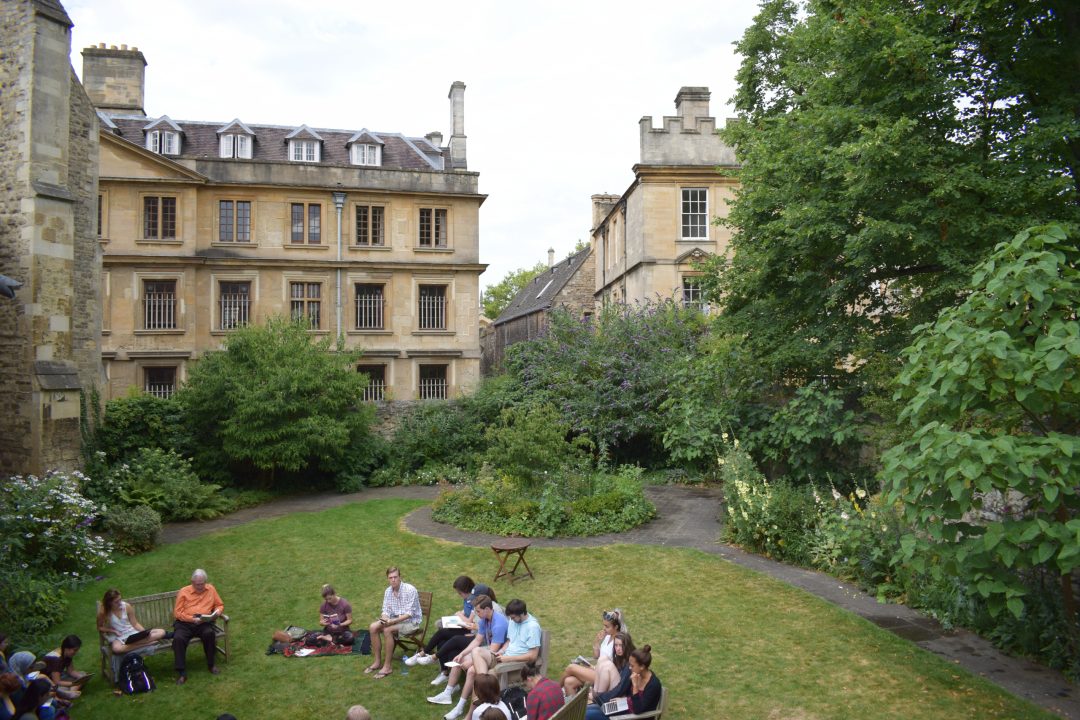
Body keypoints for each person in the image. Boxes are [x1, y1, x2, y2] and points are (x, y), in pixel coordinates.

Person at [441, 599, 541, 720]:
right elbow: (509, 641)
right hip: (504, 656)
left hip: (514, 664)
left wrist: (508, 659)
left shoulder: (533, 627)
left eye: (514, 617)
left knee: (475, 663)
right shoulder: (513, 621)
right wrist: (501, 652)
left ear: (522, 613)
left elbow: (533, 656)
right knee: (474, 661)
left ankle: (469, 714)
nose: (512, 620)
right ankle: (461, 706)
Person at [427, 595, 506, 715]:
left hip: (498, 656)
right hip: (486, 652)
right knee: (459, 658)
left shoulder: (499, 623)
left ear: (487, 609)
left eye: (478, 611)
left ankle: (460, 707)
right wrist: (463, 653)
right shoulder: (485, 619)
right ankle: (447, 693)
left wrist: (472, 660)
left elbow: (493, 650)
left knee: (471, 671)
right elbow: (477, 640)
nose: (476, 614)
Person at [429, 585, 499, 687]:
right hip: (474, 635)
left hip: (481, 641)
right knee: (444, 640)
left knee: (454, 639)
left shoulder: (491, 612)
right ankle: (445, 673)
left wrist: (472, 627)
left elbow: (489, 640)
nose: (473, 599)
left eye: (475, 597)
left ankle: (431, 656)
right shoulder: (480, 609)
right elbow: (478, 631)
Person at [406, 576, 482, 667]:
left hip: (470, 630)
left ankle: (427, 655)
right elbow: (466, 612)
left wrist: (460, 615)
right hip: (466, 627)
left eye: (460, 593)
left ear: (466, 590)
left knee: (446, 634)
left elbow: (470, 622)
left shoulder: (474, 601)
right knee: (442, 636)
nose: (459, 595)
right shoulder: (467, 599)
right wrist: (459, 613)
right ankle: (441, 670)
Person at [364, 566, 422, 679]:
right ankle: (377, 662)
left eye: (395, 577)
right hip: (393, 621)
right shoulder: (388, 591)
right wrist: (384, 618)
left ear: (400, 577)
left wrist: (392, 622)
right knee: (373, 627)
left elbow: (409, 614)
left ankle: (387, 666)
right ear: (388, 579)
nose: (393, 580)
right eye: (390, 577)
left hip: (411, 622)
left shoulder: (410, 590)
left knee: (387, 630)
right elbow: (385, 610)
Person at [172, 568, 225, 685]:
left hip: (203, 621)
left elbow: (219, 604)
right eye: (198, 584)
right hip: (185, 623)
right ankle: (181, 673)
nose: (200, 587)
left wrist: (216, 613)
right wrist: (192, 619)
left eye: (202, 584)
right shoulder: (184, 592)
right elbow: (177, 613)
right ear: (192, 582)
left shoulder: (211, 589)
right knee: (178, 639)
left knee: (209, 634)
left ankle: (211, 665)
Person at [559, 609, 626, 697]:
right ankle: (575, 709)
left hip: (605, 677)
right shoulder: (607, 637)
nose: (604, 628)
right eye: (604, 625)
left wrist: (594, 668)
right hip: (596, 671)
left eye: (607, 626)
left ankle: (554, 691)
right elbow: (596, 656)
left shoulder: (618, 642)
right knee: (568, 682)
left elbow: (616, 665)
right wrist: (597, 641)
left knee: (571, 668)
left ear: (616, 627)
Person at [584, 645, 660, 720]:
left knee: (587, 715)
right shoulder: (637, 675)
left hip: (632, 716)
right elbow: (630, 697)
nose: (629, 668)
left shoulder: (653, 685)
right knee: (586, 709)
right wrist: (623, 700)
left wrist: (635, 686)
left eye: (632, 666)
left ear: (642, 667)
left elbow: (638, 709)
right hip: (623, 708)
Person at [97, 589, 170, 655]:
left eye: (120, 599)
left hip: (131, 633)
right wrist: (113, 631)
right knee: (116, 649)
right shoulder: (104, 612)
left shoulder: (126, 606)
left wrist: (144, 633)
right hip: (118, 636)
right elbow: (100, 627)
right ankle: (145, 644)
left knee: (162, 632)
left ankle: (133, 644)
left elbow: (134, 624)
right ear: (109, 603)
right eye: (116, 602)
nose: (120, 603)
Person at [42, 635, 86, 700]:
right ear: (67, 648)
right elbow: (57, 681)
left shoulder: (66, 653)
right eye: (74, 650)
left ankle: (70, 692)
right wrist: (73, 683)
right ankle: (69, 693)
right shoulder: (56, 659)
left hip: (60, 676)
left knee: (83, 674)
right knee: (61, 689)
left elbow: (71, 671)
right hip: (50, 682)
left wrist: (80, 677)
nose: (75, 652)